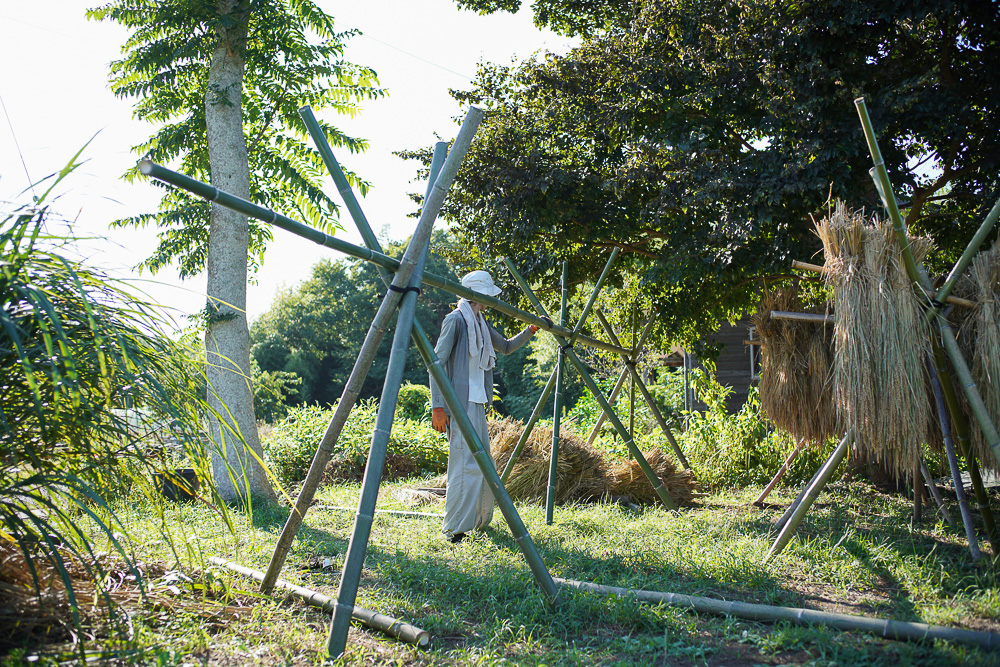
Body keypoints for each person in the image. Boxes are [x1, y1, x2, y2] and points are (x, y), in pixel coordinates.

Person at [430, 270, 539, 543]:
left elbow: (505, 346)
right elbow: (436, 363)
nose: (490, 300)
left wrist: (531, 329)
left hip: (477, 402)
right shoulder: (455, 320)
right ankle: (454, 528)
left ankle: (477, 521)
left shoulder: (479, 322)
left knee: (480, 463)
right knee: (463, 464)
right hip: (458, 403)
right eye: (487, 294)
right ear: (476, 293)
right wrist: (438, 407)